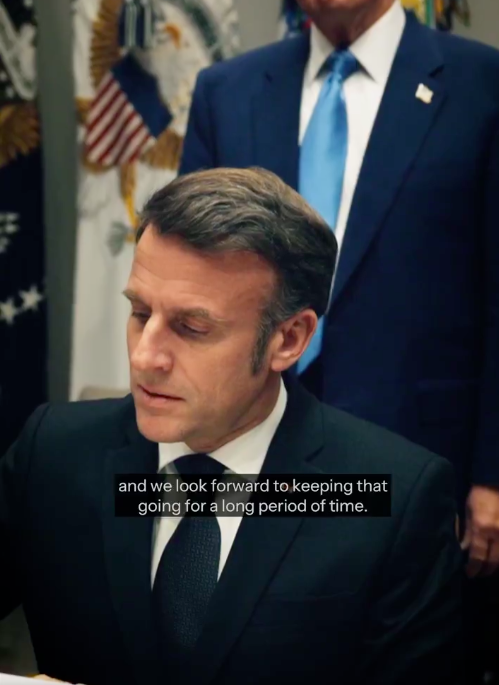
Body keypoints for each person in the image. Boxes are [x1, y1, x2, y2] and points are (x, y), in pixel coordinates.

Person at [179, 0, 499, 679]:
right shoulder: (228, 90)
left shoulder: (479, 85)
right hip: (253, 459)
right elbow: (194, 287)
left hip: (423, 465)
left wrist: (494, 477)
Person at [0, 168, 462, 685]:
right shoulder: (55, 453)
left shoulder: (393, 499)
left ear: (288, 339)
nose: (145, 356)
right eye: (139, 312)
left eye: (192, 328)